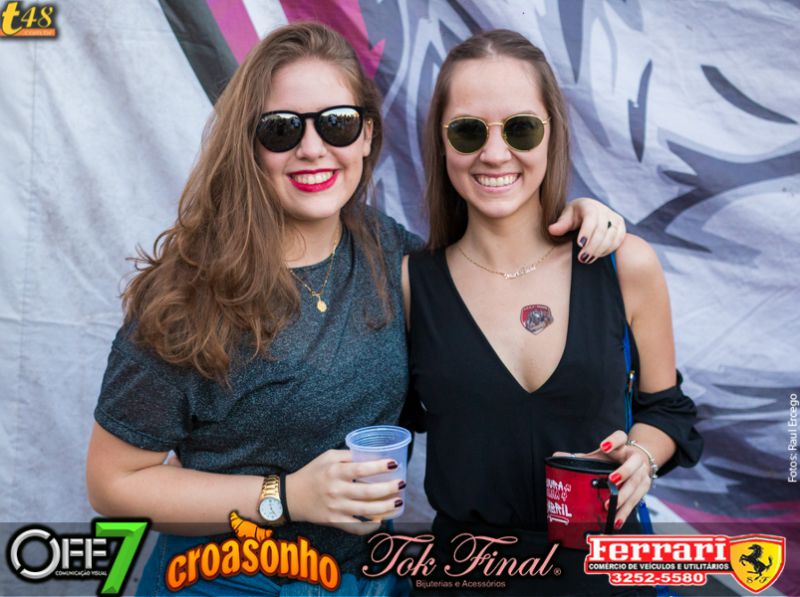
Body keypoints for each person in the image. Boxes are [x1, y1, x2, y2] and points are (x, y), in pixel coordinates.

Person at [86, 23, 627, 596]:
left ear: (367, 135)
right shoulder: (190, 294)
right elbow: (113, 485)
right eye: (281, 129)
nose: (312, 148)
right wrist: (283, 497)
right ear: (249, 144)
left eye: (337, 123)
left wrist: (576, 220)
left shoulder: (392, 256)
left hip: (367, 580)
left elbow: (495, 294)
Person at [403, 29, 703, 596]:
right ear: (441, 143)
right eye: (468, 131)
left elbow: (668, 412)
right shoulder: (409, 285)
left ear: (552, 136)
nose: (495, 153)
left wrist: (640, 456)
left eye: (521, 129)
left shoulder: (624, 265)